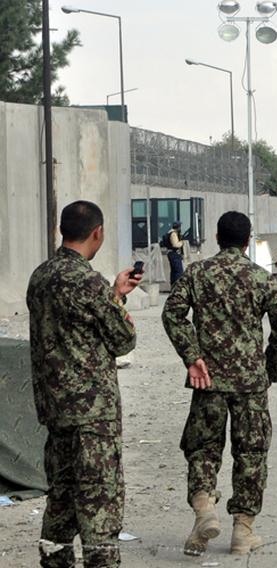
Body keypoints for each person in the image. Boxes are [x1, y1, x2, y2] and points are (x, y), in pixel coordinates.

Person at [162, 211, 277, 556]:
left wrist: (192, 356)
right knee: (251, 454)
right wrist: (270, 371)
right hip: (250, 382)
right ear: (247, 241)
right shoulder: (262, 278)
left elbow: (172, 314)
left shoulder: (197, 273)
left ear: (217, 238)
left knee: (203, 450)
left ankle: (205, 508)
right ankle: (242, 531)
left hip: (208, 381)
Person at [27, 200, 142, 568]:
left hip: (55, 410)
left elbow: (72, 324)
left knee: (60, 498)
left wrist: (114, 293)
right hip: (92, 414)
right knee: (99, 501)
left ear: (63, 230)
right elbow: (123, 339)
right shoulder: (87, 281)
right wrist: (116, 300)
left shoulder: (41, 276)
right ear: (98, 232)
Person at [166, 221, 185, 285]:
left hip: (171, 254)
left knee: (174, 271)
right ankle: (177, 285)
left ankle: (174, 285)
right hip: (174, 254)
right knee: (178, 271)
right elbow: (175, 244)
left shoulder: (169, 232)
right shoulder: (173, 234)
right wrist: (182, 243)